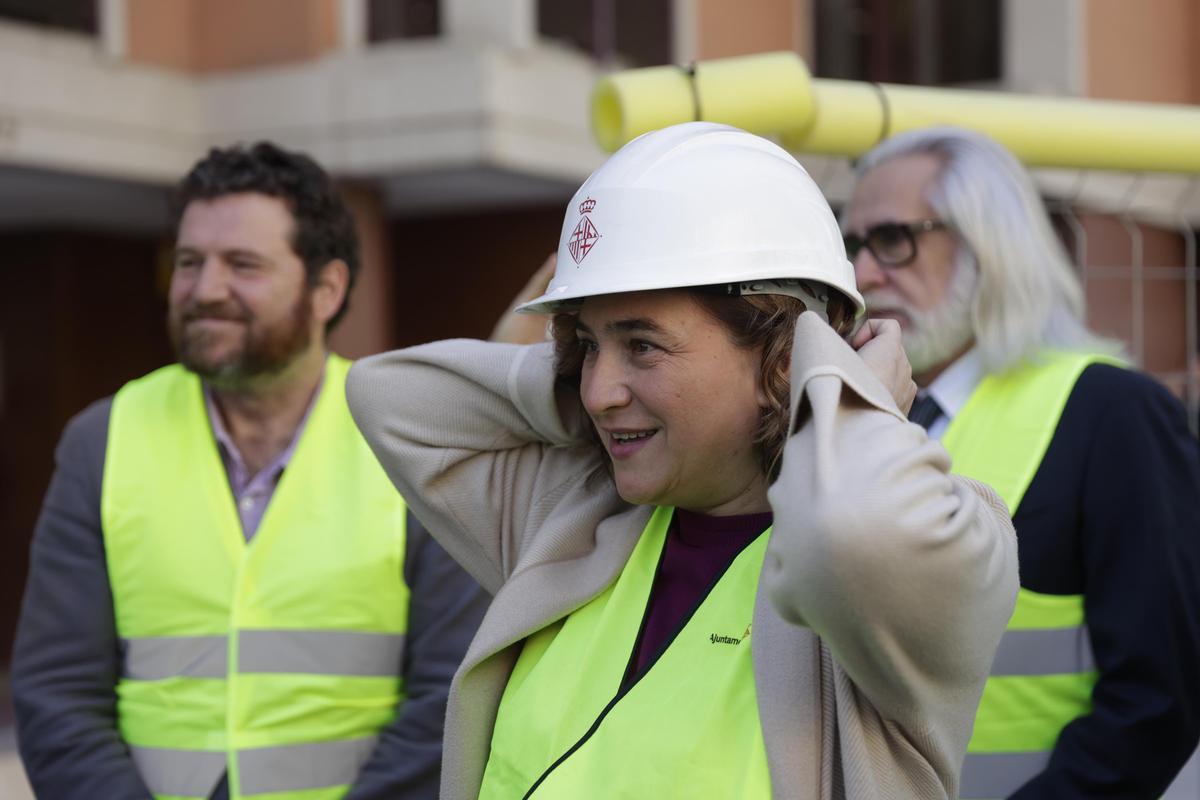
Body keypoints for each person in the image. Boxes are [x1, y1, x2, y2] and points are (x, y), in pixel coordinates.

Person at [346, 122, 1019, 799]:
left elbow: (847, 532)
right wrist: (583, 386)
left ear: (782, 357)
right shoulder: (574, 516)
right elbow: (388, 397)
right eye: (587, 345)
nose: (599, 390)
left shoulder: (932, 564)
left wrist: (842, 394)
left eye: (642, 345)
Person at [12, 142, 487, 800]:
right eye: (188, 262)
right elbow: (56, 694)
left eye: (242, 264)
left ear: (328, 288)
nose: (205, 290)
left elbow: (451, 694)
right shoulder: (102, 439)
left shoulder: (412, 437)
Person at [842, 125, 1200, 799]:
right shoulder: (855, 417)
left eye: (894, 239)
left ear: (988, 245)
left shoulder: (1113, 413)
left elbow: (1160, 700)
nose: (863, 272)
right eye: (854, 243)